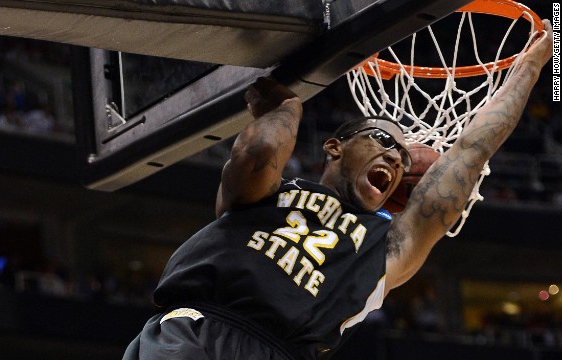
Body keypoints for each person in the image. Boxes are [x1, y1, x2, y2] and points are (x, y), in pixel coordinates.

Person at [123, 20, 553, 360]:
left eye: (403, 160)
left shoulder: (386, 248)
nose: (394, 158)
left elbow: (471, 151)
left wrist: (533, 66)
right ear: (334, 146)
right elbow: (257, 149)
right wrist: (288, 106)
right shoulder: (270, 189)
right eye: (383, 141)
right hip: (194, 332)